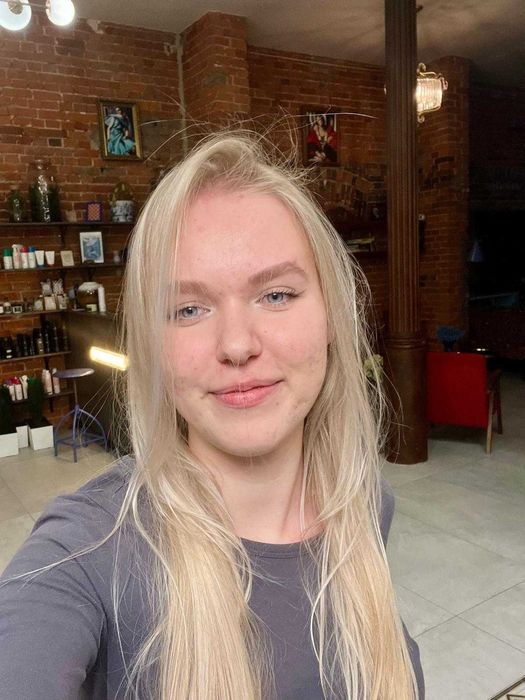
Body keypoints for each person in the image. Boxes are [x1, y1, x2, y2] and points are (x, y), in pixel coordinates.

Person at [0, 134, 424, 699]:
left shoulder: (362, 499)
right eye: (189, 309)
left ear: (331, 313)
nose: (237, 345)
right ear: (153, 343)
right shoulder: (87, 551)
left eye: (277, 295)